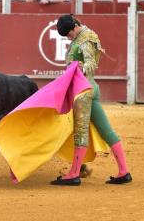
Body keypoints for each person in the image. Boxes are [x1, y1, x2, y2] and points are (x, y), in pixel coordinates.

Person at [50, 14, 132, 185]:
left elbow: (91, 62)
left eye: (69, 34)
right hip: (90, 87)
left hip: (83, 91)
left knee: (80, 132)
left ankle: (74, 174)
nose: (69, 38)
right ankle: (124, 171)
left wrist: (82, 68)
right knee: (106, 130)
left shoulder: (86, 39)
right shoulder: (85, 36)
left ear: (74, 27)